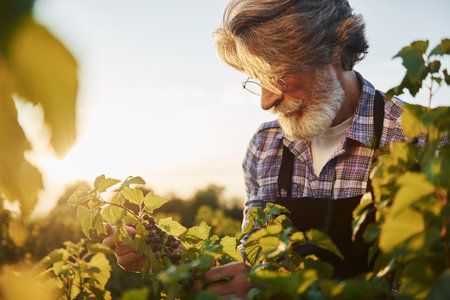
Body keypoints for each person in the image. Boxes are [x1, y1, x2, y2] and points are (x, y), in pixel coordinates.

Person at [103, 0, 409, 298]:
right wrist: (174, 257)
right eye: (257, 80)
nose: (266, 102)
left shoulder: (419, 140)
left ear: (332, 48)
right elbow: (254, 268)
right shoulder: (265, 146)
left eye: (276, 77)